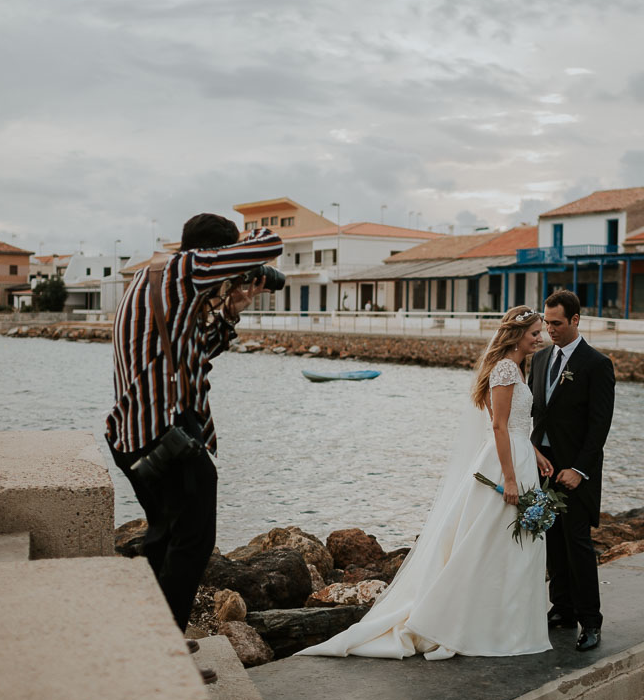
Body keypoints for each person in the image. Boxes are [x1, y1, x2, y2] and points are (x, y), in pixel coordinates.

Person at [298, 306, 555, 660]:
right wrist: (509, 478)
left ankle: (505, 621)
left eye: (540, 332)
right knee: (489, 542)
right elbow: (497, 426)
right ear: (517, 335)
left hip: (520, 457)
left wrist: (534, 454)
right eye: (534, 333)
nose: (540, 339)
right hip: (503, 465)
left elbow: (515, 426)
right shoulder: (506, 367)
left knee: (510, 544)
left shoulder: (519, 367)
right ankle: (475, 622)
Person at [105, 213, 282, 664]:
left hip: (136, 436)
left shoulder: (158, 282)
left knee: (164, 540)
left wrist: (232, 306)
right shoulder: (185, 270)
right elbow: (270, 244)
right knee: (194, 541)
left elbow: (195, 354)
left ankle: (146, 638)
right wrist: (247, 258)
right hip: (165, 436)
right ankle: (164, 653)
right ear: (211, 255)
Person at [529, 290, 615, 651]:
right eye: (547, 323)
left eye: (557, 324)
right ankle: (561, 608)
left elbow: (600, 425)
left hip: (577, 468)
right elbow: (536, 413)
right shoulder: (540, 359)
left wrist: (578, 469)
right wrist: (532, 453)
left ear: (576, 320)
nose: (550, 330)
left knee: (578, 544)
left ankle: (590, 621)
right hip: (541, 464)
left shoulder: (597, 364)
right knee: (551, 540)